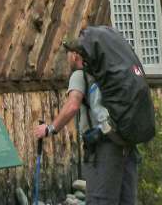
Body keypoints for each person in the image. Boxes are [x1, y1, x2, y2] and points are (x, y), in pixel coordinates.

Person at [31, 39, 139, 205]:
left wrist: (50, 128)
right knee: (126, 200)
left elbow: (72, 106)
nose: (67, 57)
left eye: (68, 53)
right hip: (127, 143)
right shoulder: (110, 74)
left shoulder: (80, 75)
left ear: (75, 56)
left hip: (103, 147)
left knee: (99, 200)